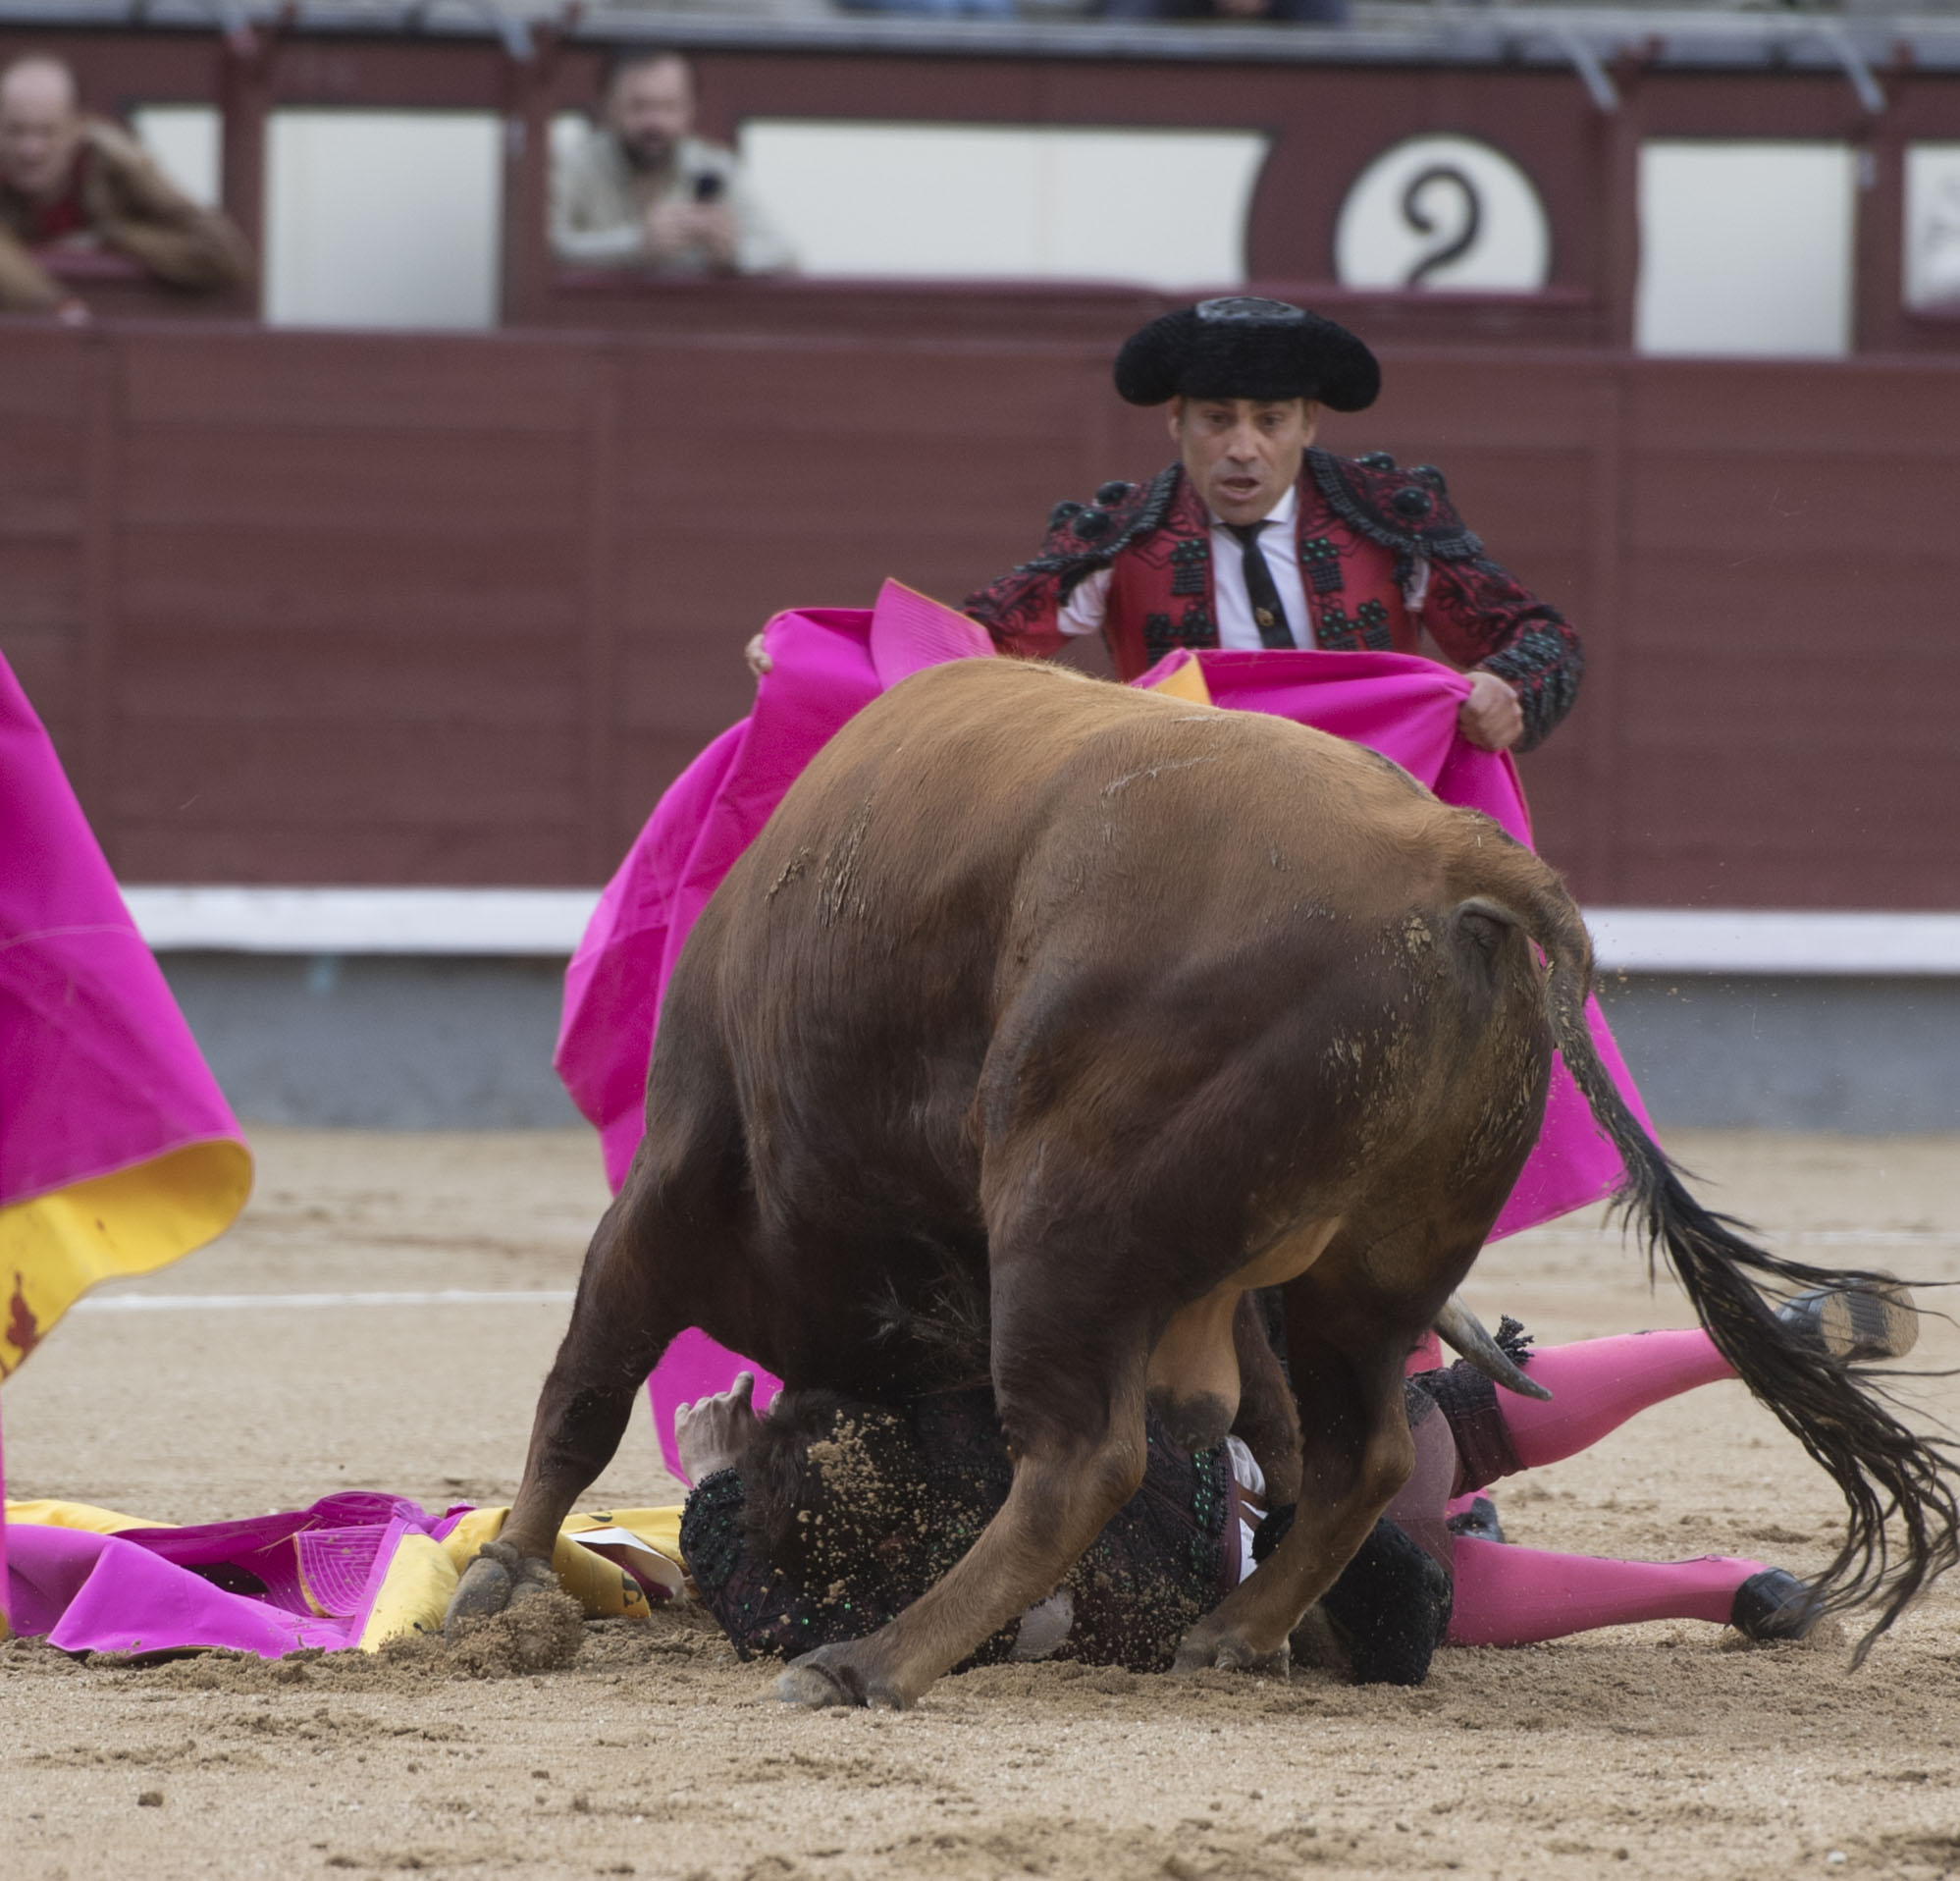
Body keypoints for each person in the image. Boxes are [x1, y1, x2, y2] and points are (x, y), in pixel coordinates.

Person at [671, 1282, 1919, 1687]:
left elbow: (766, 1615)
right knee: (1447, 1428)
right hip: (1269, 1446)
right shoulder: (951, 1366)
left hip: (1309, 1586)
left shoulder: (881, 1588)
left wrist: (717, 1490)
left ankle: (1715, 1590)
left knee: (1443, 1580)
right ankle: (1744, 1336)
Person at [962, 296, 1583, 755]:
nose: (1242, 448)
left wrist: (1505, 687)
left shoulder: (1388, 521)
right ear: (1175, 420)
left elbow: (1539, 638)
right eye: (1217, 419)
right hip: (1185, 829)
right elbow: (969, 652)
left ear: (1310, 423)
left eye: (1269, 421)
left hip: (1375, 824)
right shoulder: (1118, 540)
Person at [0, 52, 251, 318]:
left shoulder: (120, 165)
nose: (30, 149)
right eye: (16, 131)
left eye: (46, 132)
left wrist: (110, 237)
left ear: (79, 127)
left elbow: (225, 253)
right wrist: (60, 310)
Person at [552, 49, 794, 277]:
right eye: (639, 106)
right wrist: (634, 246)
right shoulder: (571, 164)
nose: (655, 122)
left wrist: (732, 254)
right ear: (607, 106)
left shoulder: (714, 165)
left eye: (669, 107)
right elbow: (539, 251)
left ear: (691, 109)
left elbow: (785, 254)